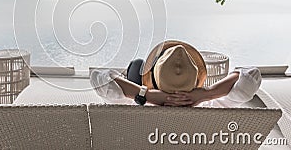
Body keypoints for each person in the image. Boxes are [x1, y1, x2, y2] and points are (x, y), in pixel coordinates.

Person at [90, 40, 262, 107]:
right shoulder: (215, 107)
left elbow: (100, 79)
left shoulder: (133, 107)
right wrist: (206, 94)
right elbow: (250, 75)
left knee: (135, 67)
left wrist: (147, 95)